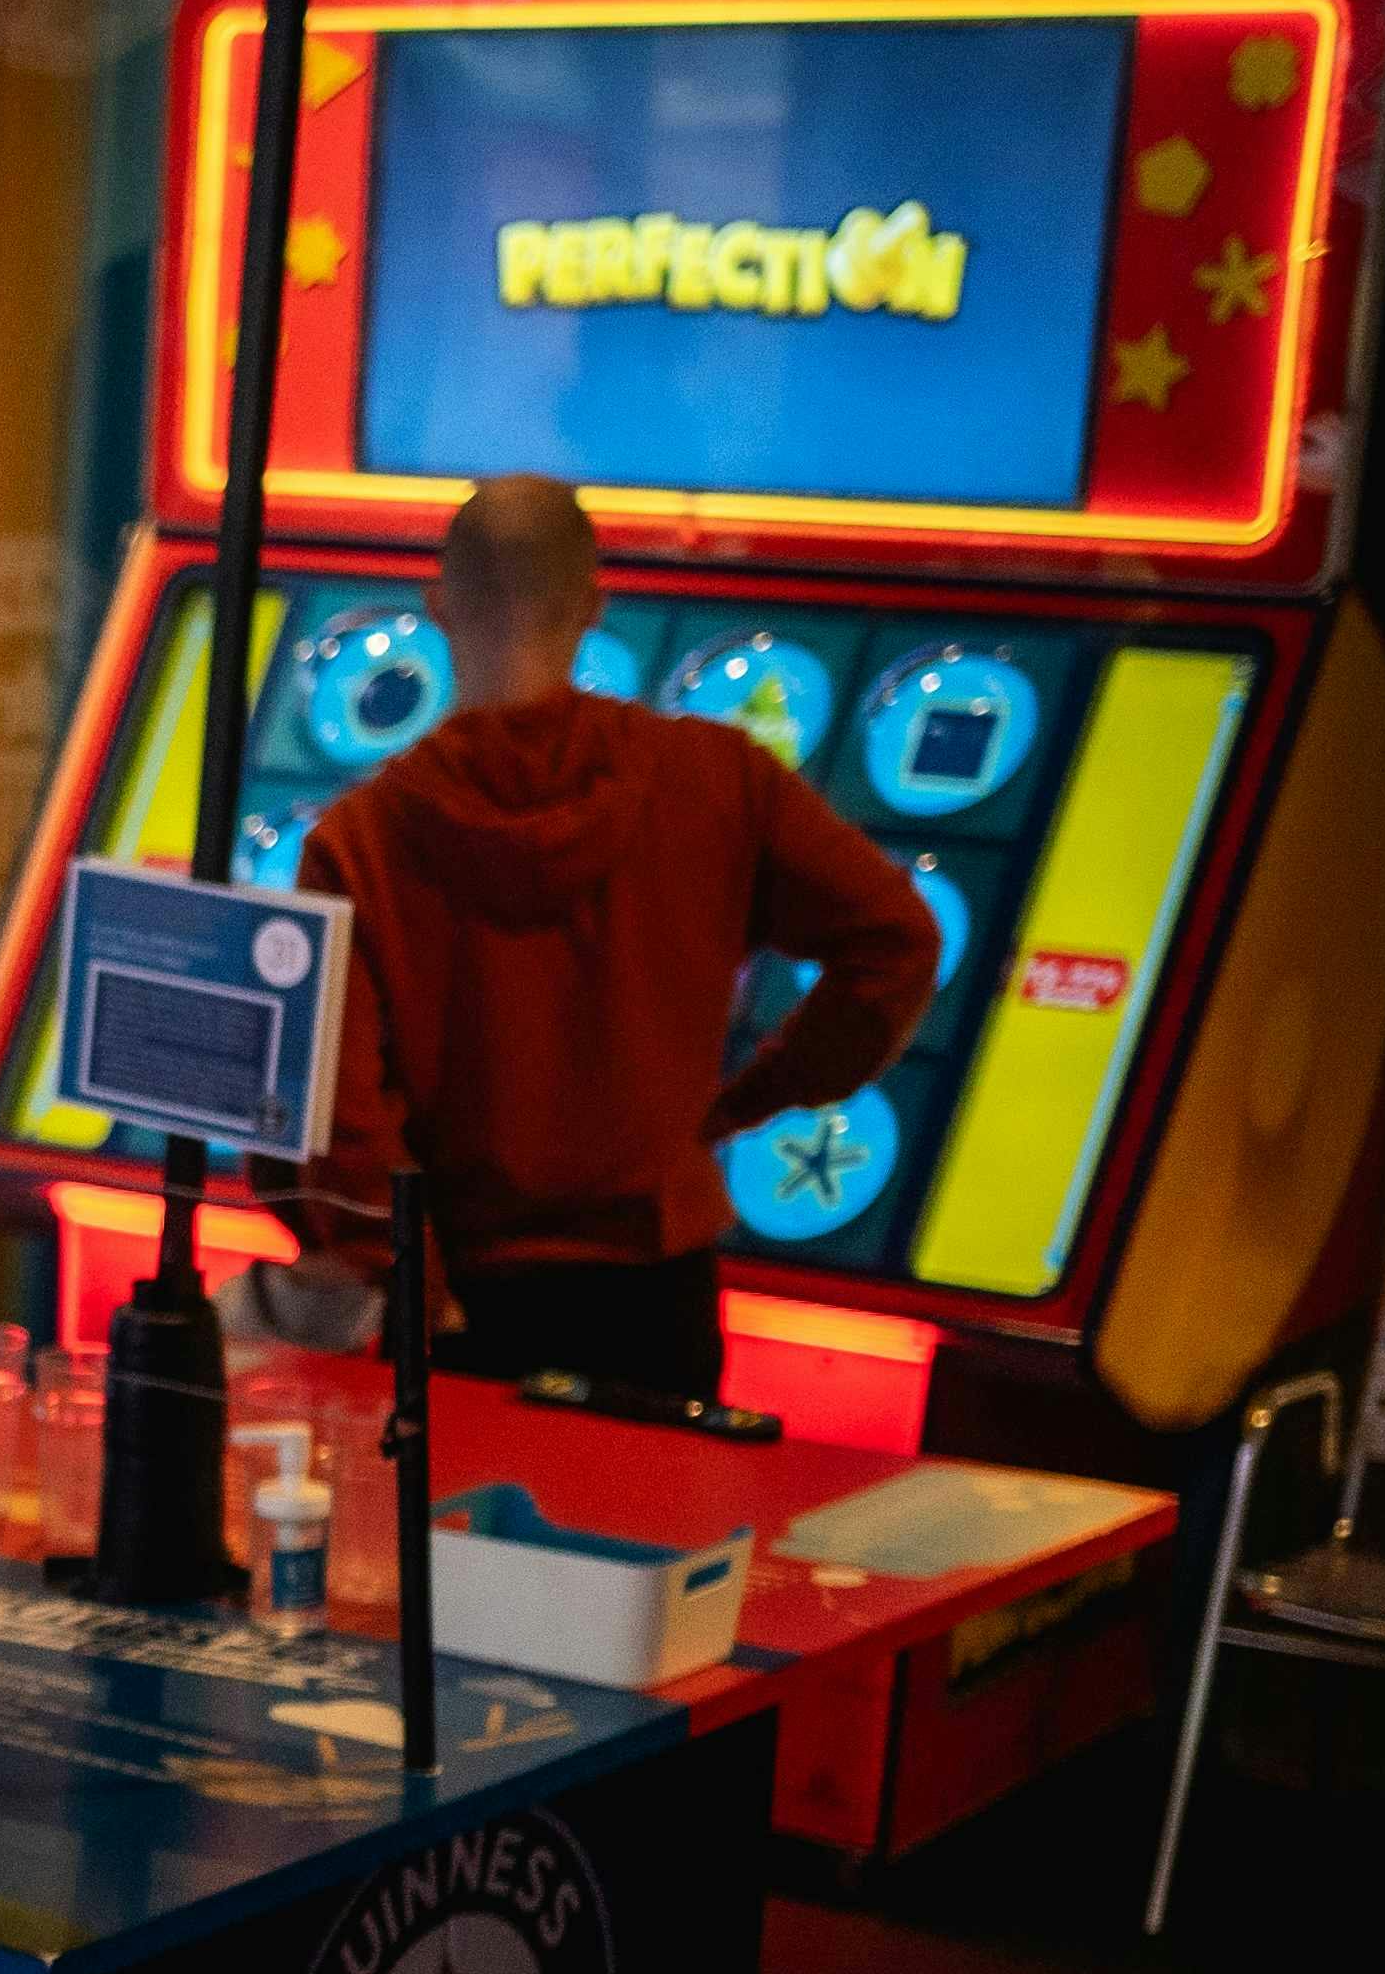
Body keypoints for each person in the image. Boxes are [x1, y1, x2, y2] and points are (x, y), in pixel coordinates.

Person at [292, 471, 944, 1399]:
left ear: (437, 604)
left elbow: (339, 1118)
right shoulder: (720, 782)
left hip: (462, 1305)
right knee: (654, 1545)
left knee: (455, 1546)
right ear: (597, 604)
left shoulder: (357, 841)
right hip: (658, 1300)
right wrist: (756, 1095)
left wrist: (414, 1285)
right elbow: (897, 942)